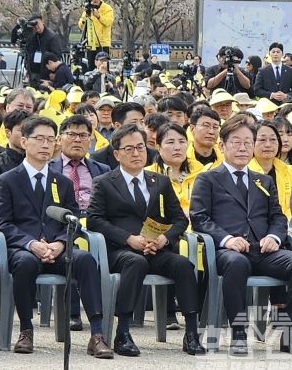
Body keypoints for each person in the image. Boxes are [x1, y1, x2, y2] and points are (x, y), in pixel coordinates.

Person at [190, 114, 292, 355]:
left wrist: (274, 237)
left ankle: (290, 334)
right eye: (236, 142)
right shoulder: (208, 179)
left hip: (262, 250)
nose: (243, 148)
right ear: (222, 146)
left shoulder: (263, 181)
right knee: (237, 263)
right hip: (227, 251)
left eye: (248, 142)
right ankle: (238, 334)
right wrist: (227, 239)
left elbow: (278, 217)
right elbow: (199, 218)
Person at [0, 116, 113, 357]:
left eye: (50, 139)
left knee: (85, 259)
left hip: (57, 249)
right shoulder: (7, 180)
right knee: (25, 263)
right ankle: (26, 330)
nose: (46, 145)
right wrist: (31, 244)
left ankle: (97, 334)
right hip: (25, 249)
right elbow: (3, 223)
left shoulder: (63, 182)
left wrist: (60, 243)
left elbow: (73, 220)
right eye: (39, 139)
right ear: (24, 142)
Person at [87, 124, 205, 356]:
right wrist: (128, 239)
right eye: (129, 149)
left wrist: (164, 239)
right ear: (116, 154)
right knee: (136, 262)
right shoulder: (104, 182)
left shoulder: (159, 181)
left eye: (140, 147)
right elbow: (94, 220)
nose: (136, 153)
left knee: (183, 265)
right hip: (121, 251)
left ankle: (191, 333)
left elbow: (179, 220)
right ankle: (123, 332)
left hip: (155, 249)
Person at [248, 121, 292, 218]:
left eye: (273, 139)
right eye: (262, 139)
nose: (268, 144)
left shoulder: (290, 171)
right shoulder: (244, 172)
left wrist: (286, 222)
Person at [91, 102, 156, 169]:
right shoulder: (98, 158)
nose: (140, 127)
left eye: (142, 122)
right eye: (134, 122)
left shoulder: (153, 155)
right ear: (117, 126)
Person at [0, 109, 29, 184]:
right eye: (21, 130)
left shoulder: (39, 161)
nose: (26, 134)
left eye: (30, 130)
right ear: (8, 133)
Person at [78, 0, 114, 71]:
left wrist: (98, 16)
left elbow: (108, 22)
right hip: (91, 44)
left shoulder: (107, 8)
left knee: (103, 67)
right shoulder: (88, 8)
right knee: (91, 67)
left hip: (103, 43)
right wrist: (84, 19)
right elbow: (81, 26)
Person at [24, 13, 63, 87]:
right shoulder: (33, 36)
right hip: (33, 72)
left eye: (37, 23)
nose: (36, 27)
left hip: (46, 73)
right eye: (34, 25)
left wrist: (53, 72)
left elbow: (56, 56)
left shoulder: (52, 37)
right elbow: (28, 52)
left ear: (42, 22)